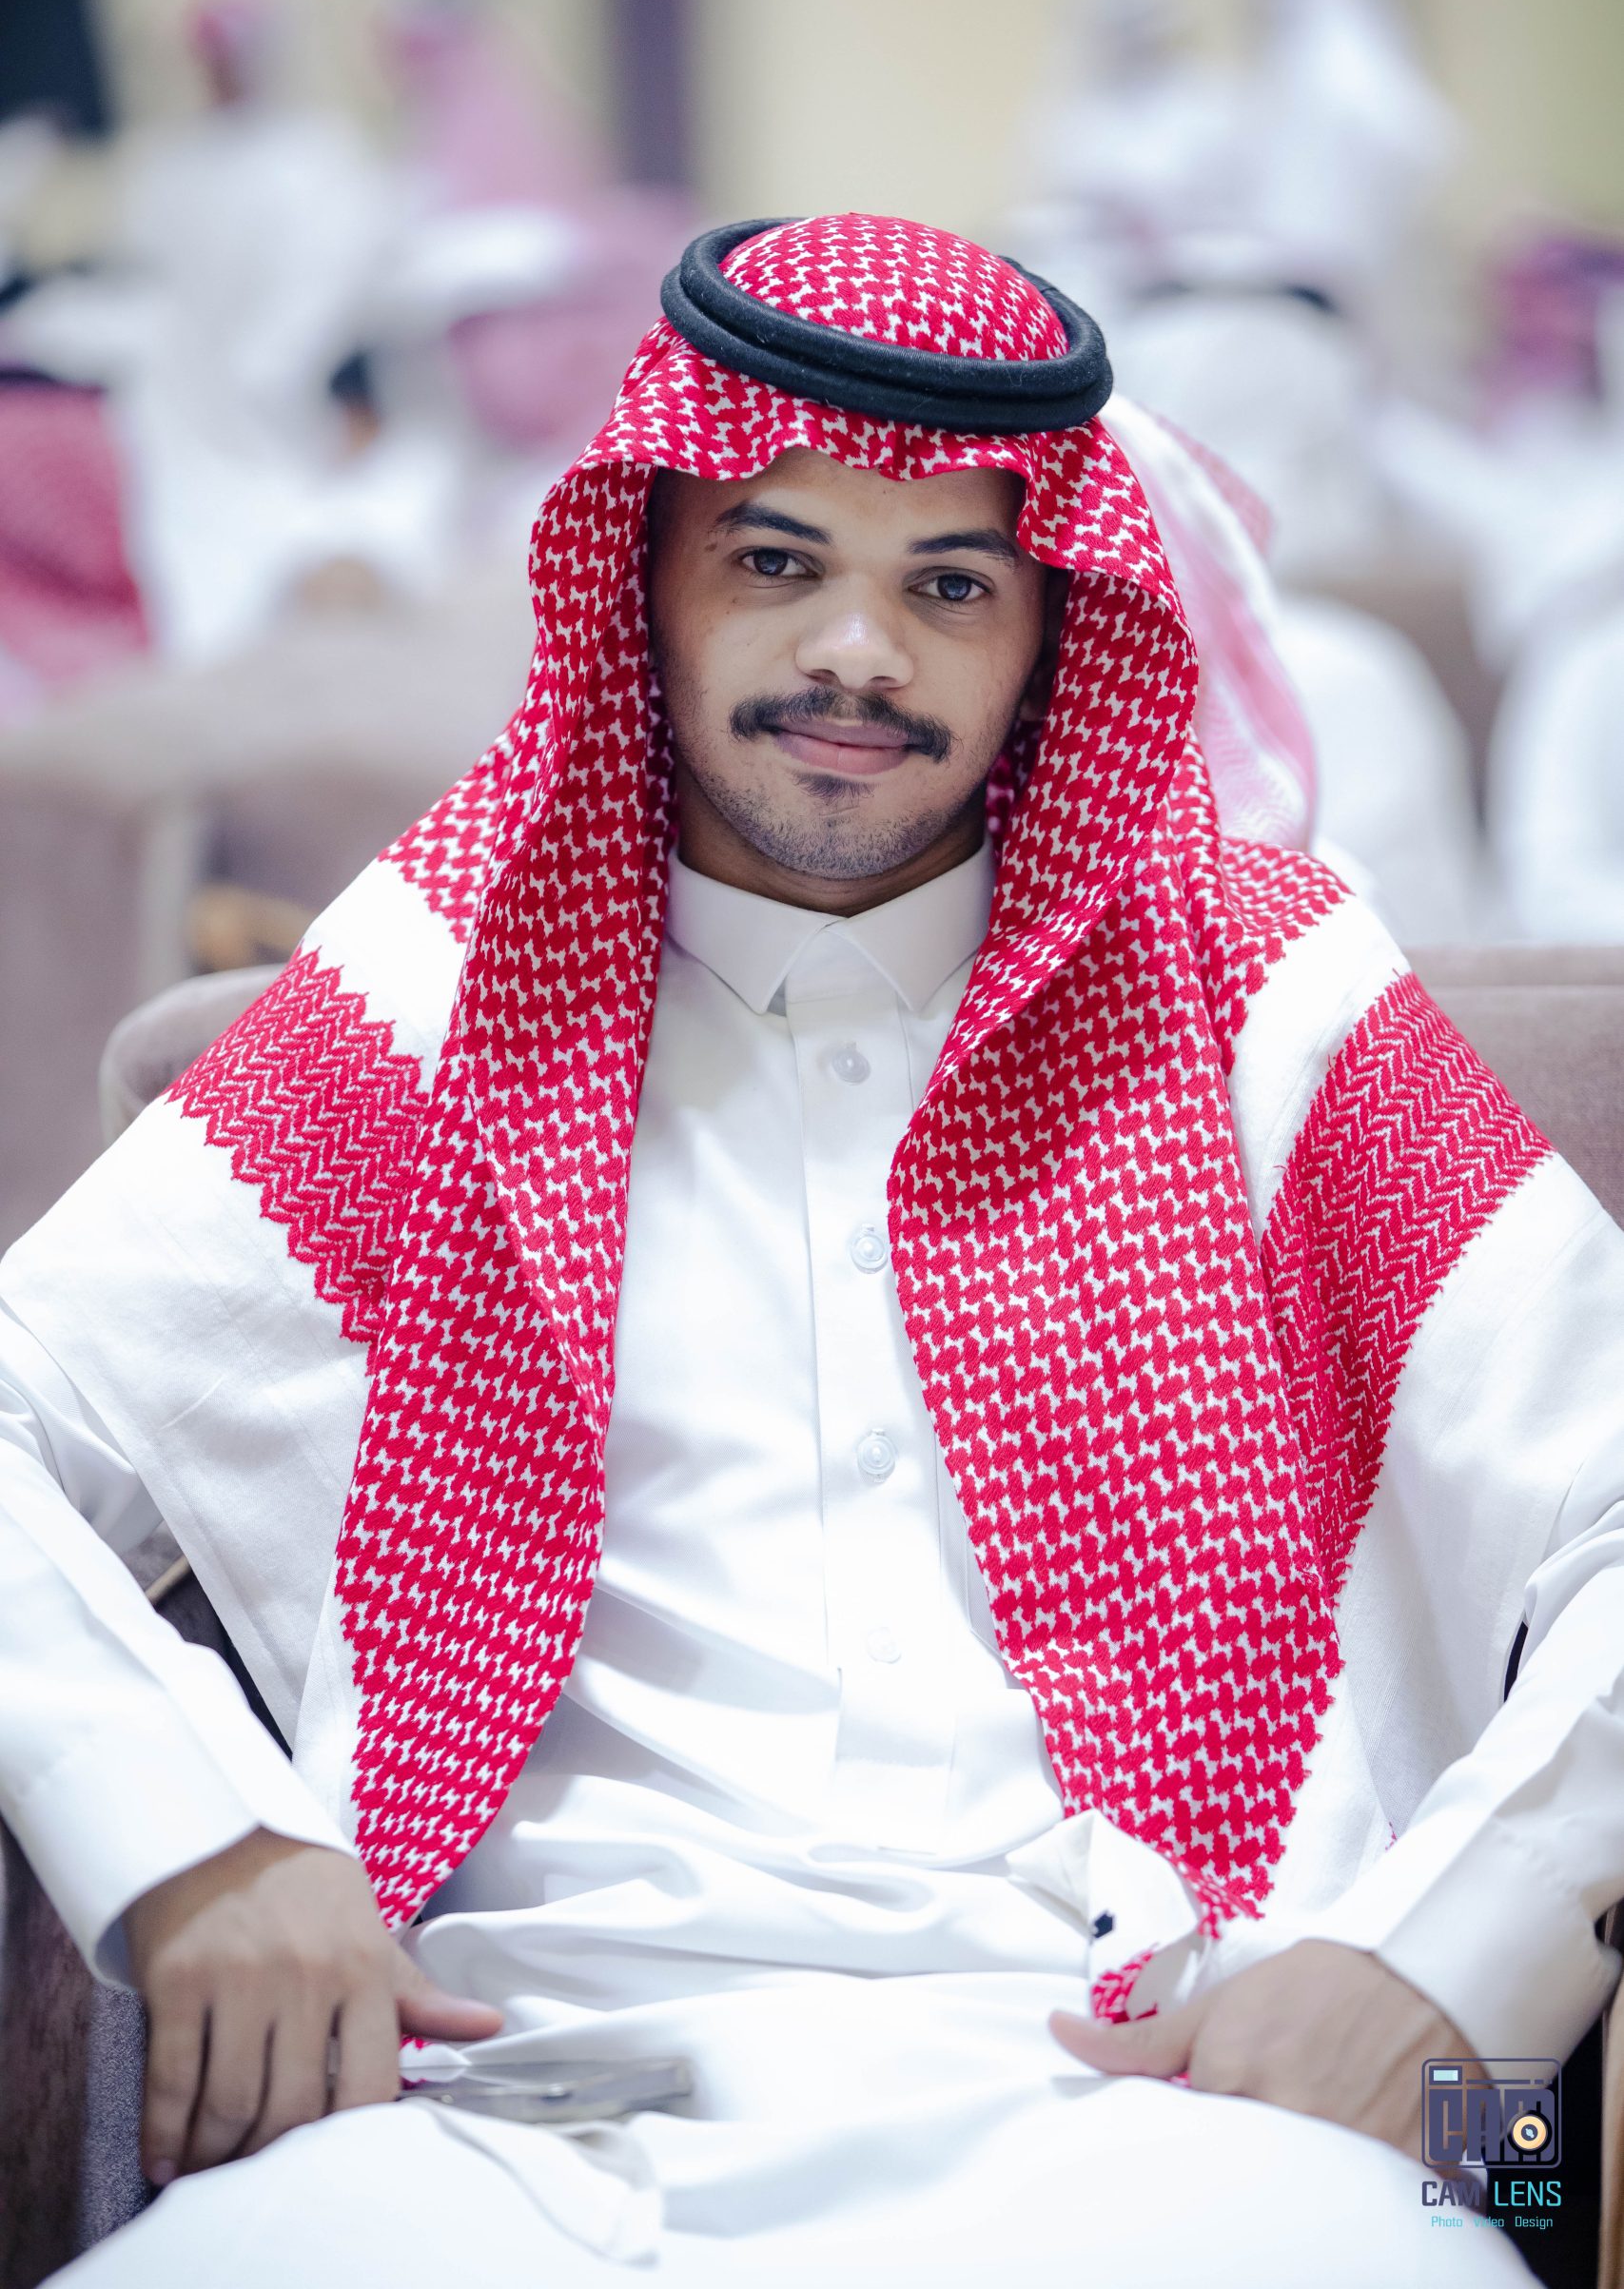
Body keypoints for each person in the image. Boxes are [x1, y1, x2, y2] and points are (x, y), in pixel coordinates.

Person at [3, 214, 1622, 2287]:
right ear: (647, 576)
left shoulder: (1264, 997)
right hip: (513, 2119)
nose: (858, 652)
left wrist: (1446, 1966)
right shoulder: (441, 986)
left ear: (1050, 629)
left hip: (1163, 2115)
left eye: (948, 585)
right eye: (777, 561)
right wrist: (189, 1838)